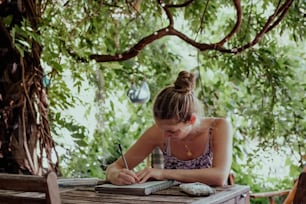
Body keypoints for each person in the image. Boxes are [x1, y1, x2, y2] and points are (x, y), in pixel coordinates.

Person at [106, 70, 233, 186]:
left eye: (172, 131)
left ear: (191, 120)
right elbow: (115, 166)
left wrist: (162, 173)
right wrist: (115, 175)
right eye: (161, 128)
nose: (165, 135)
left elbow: (219, 177)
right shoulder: (157, 132)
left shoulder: (219, 128)